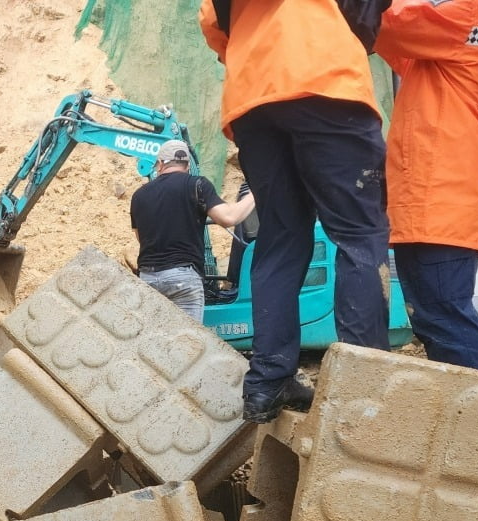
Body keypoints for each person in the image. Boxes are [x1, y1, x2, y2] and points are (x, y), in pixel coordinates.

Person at [199, 0, 393, 423]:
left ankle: (268, 382)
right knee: (359, 233)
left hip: (252, 99)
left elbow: (213, 25)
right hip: (325, 77)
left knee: (280, 239)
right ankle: (365, 388)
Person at [375, 0, 478, 370]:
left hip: (444, 195)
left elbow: (390, 22)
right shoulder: (454, 37)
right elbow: (397, 45)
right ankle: (468, 416)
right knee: (437, 318)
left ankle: (474, 420)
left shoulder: (471, 14)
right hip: (440, 198)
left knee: (444, 319)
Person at [130, 140, 254, 319]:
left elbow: (141, 238)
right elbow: (229, 218)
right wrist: (256, 192)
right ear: (187, 165)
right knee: (187, 343)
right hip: (183, 279)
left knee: (155, 343)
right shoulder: (197, 185)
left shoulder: (139, 195)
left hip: (148, 278)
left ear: (160, 164)